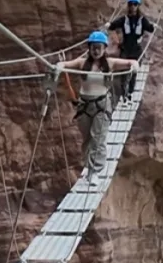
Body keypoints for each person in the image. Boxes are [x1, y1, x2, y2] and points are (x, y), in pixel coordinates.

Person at [56, 31, 138, 178]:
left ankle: (95, 170)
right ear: (89, 48)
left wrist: (135, 64)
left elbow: (129, 62)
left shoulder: (110, 63)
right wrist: (58, 66)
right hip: (84, 106)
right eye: (94, 47)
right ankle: (88, 167)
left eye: (99, 47)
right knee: (87, 139)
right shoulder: (82, 63)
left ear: (104, 48)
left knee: (98, 139)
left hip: (101, 105)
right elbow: (66, 64)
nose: (96, 51)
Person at [107, 0, 155, 99]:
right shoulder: (124, 19)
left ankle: (130, 93)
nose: (133, 6)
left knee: (133, 71)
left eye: (135, 4)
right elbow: (114, 25)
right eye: (131, 4)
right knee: (124, 72)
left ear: (138, 6)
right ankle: (124, 94)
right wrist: (109, 25)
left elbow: (149, 28)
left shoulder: (142, 20)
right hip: (126, 49)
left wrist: (153, 27)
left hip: (136, 50)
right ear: (128, 6)